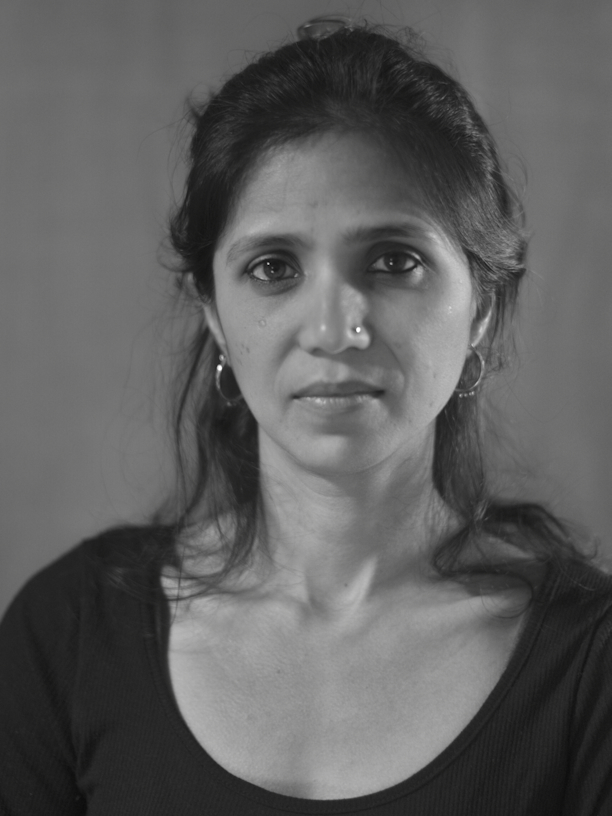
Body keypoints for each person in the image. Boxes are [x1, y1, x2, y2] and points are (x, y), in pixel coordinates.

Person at [1, 18, 611, 816]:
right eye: (273, 268)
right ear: (215, 314)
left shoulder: (590, 666)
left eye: (395, 261)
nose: (333, 328)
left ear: (482, 312)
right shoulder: (70, 633)